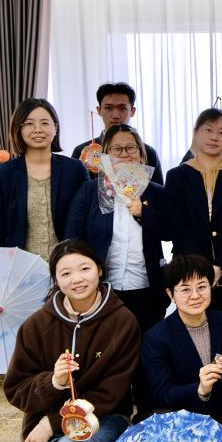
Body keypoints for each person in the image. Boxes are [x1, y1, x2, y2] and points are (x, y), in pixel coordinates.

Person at [3, 239, 140, 442]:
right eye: (66, 273)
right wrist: (54, 382)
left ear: (99, 270)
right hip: (43, 432)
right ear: (56, 279)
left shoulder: (123, 321)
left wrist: (52, 422)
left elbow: (112, 393)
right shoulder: (36, 325)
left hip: (100, 420)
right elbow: (16, 389)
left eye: (84, 268)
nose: (77, 279)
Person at [66, 124, 170, 333]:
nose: (124, 154)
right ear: (105, 155)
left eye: (131, 148)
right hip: (101, 289)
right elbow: (72, 238)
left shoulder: (157, 192)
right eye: (116, 149)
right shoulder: (88, 192)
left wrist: (144, 213)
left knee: (146, 345)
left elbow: (170, 232)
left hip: (146, 288)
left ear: (141, 155)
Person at [141, 254, 222, 435]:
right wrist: (200, 390)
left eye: (202, 287)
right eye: (185, 289)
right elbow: (162, 393)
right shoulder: (156, 337)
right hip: (179, 425)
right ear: (171, 294)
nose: (195, 296)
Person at [166, 108, 222, 317]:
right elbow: (176, 225)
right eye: (208, 130)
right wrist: (202, 267)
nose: (215, 137)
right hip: (189, 272)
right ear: (196, 133)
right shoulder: (176, 176)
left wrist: (220, 266)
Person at [0, 98, 88, 261]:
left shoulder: (75, 170)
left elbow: (87, 222)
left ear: (55, 128)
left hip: (68, 266)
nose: (38, 129)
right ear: (19, 129)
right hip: (18, 268)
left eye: (45, 123)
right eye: (29, 124)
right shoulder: (1, 174)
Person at [70, 82, 164, 184]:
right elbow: (75, 189)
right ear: (99, 110)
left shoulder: (148, 152)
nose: (115, 115)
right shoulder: (82, 151)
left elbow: (158, 191)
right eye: (109, 108)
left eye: (122, 108)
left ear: (132, 111)